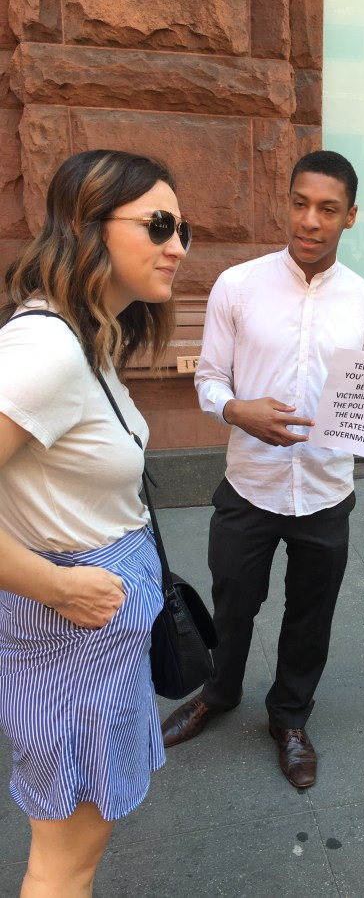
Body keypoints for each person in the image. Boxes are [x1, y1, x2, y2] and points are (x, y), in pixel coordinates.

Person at [161, 150, 364, 788]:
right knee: (232, 605)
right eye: (300, 204)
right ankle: (219, 693)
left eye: (327, 209)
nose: (310, 220)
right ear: (288, 203)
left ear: (350, 217)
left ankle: (290, 718)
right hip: (250, 484)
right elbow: (209, 378)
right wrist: (236, 410)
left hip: (327, 491)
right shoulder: (238, 286)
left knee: (311, 615)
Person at [0, 148, 191, 896]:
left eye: (183, 229)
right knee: (63, 864)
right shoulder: (46, 348)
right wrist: (58, 587)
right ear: (89, 225)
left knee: (77, 850)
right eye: (159, 224)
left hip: (95, 630)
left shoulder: (88, 335)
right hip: (70, 634)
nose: (178, 246)